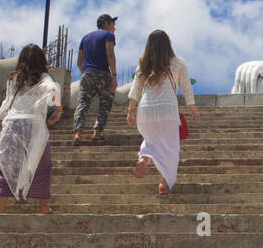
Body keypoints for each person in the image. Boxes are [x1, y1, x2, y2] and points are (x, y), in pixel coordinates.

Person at [126, 29, 201, 194]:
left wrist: (131, 111)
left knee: (152, 141)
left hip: (145, 111)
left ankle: (144, 158)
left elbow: (136, 89)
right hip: (167, 110)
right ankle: (163, 183)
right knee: (169, 149)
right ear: (168, 44)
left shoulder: (143, 63)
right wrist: (193, 111)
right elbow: (187, 89)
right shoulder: (178, 63)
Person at [0, 44, 62, 215]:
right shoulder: (43, 78)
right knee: (43, 166)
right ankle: (42, 207)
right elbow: (54, 90)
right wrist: (59, 109)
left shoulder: (14, 78)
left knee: (6, 169)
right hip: (33, 126)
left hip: (12, 124)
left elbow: (5, 105)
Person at [74, 14, 118, 145]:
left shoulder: (85, 38)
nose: (114, 28)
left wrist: (86, 72)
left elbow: (79, 61)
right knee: (105, 103)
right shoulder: (109, 36)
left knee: (83, 103)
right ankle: (97, 132)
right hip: (103, 73)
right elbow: (110, 54)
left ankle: (77, 133)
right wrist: (114, 75)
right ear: (105, 23)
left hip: (86, 74)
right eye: (113, 24)